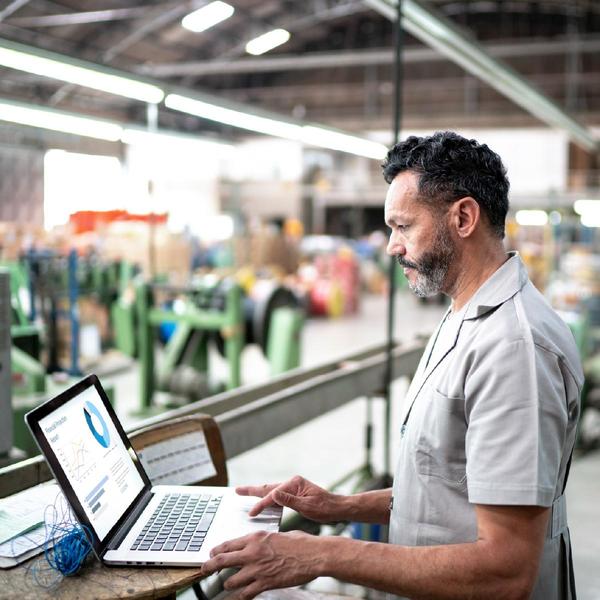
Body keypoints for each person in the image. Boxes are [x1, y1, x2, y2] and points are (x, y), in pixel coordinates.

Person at [201, 131, 583, 600]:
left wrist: (322, 554)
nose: (391, 247)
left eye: (403, 227)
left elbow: (506, 570)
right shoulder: (465, 312)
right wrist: (340, 505)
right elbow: (449, 492)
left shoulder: (513, 348)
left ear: (463, 217)